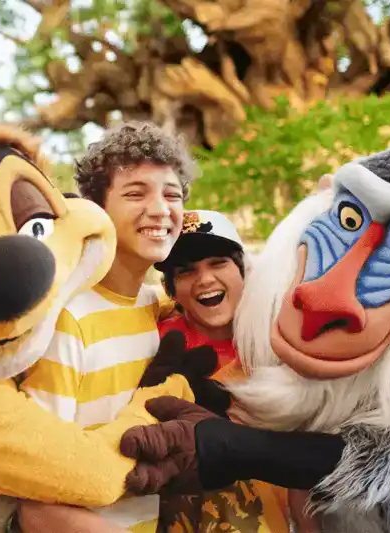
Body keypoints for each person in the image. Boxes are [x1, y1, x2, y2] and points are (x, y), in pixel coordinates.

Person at [17, 121, 196, 533]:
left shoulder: (161, 309)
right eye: (136, 193)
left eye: (172, 194)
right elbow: (36, 497)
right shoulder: (65, 320)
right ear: (96, 211)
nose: (160, 208)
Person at [152, 210, 319, 533]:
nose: (205, 279)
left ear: (244, 270)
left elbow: (302, 461)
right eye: (186, 271)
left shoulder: (280, 343)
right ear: (171, 290)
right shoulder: (151, 343)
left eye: (218, 263)